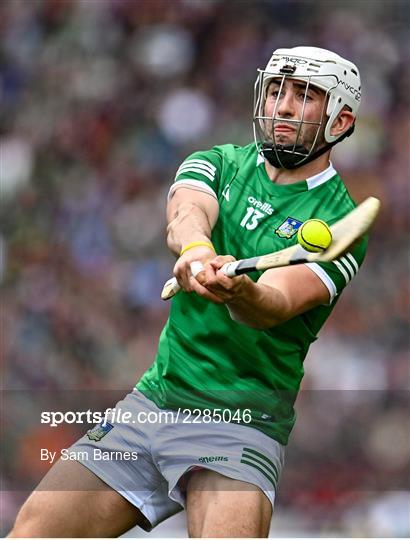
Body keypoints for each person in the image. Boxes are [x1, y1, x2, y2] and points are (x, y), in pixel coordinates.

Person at [10, 46, 367, 538]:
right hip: (156, 400)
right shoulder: (218, 161)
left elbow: (277, 303)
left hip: (241, 422)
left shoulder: (340, 222)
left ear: (340, 118)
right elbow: (187, 213)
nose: (282, 105)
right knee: (32, 533)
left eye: (304, 95)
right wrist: (197, 251)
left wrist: (239, 291)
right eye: (277, 89)